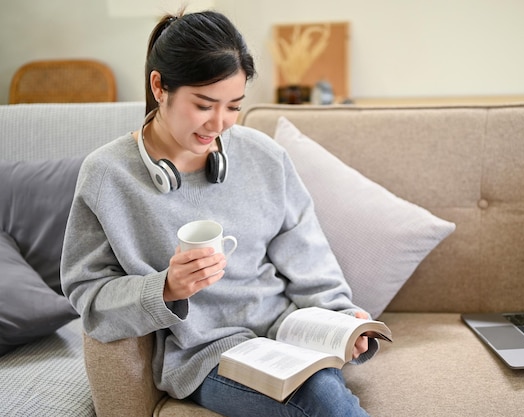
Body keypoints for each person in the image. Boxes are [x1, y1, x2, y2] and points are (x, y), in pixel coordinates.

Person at [60, 9, 378, 417]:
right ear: (159, 86)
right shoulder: (107, 176)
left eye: (233, 106)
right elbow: (88, 296)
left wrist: (340, 319)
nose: (219, 123)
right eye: (204, 105)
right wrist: (166, 288)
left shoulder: (264, 157)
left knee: (321, 389)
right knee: (323, 399)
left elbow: (309, 256)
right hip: (206, 357)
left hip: (287, 336)